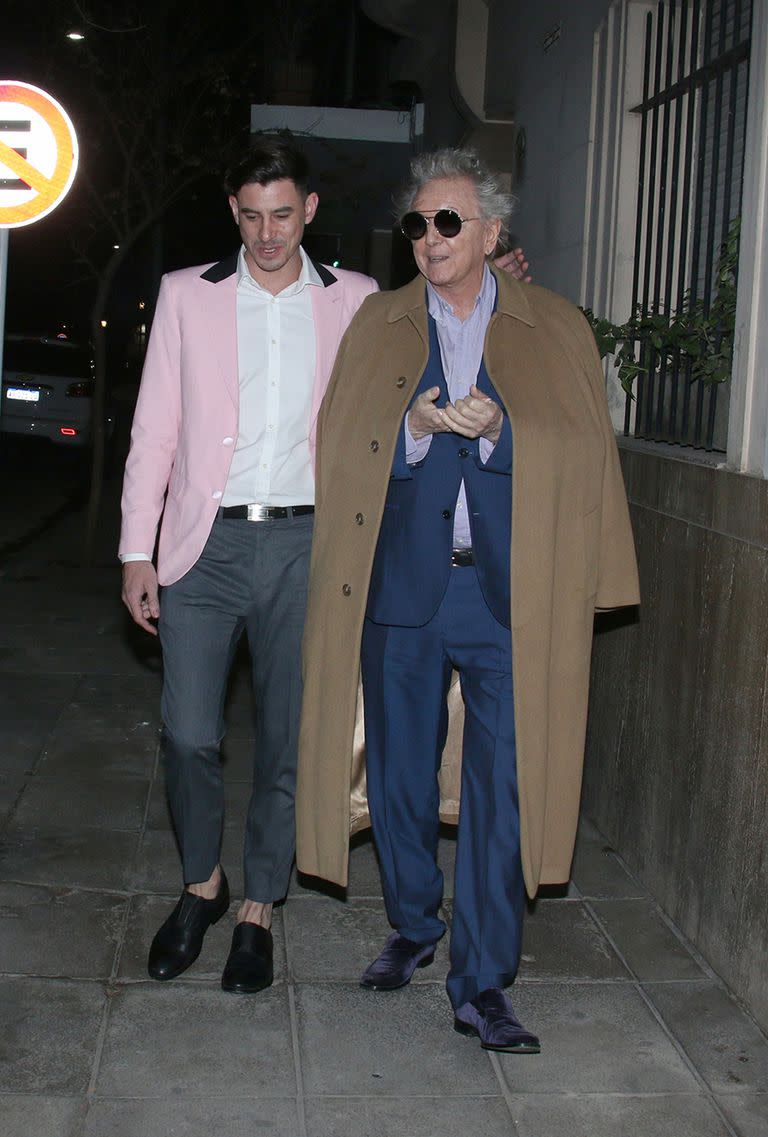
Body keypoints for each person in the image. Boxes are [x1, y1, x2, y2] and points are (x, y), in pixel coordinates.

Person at [296, 148, 640, 1051]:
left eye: (449, 221)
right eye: (418, 222)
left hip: (509, 594)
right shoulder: (379, 321)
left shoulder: (554, 326)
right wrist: (407, 430)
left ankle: (483, 980)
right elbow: (338, 442)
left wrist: (503, 435)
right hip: (403, 586)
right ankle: (414, 920)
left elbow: (584, 452)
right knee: (401, 778)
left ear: (492, 233)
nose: (430, 238)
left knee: (503, 791)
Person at [119, 135, 379, 994]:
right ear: (234, 212)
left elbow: (428, 349)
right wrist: (136, 550)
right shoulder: (187, 296)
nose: (268, 234)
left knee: (286, 738)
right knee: (190, 730)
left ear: (309, 210)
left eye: (283, 214)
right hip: (205, 543)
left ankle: (260, 905)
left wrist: (501, 277)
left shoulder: (358, 301)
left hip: (309, 544)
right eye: (251, 216)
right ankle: (203, 883)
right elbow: (154, 430)